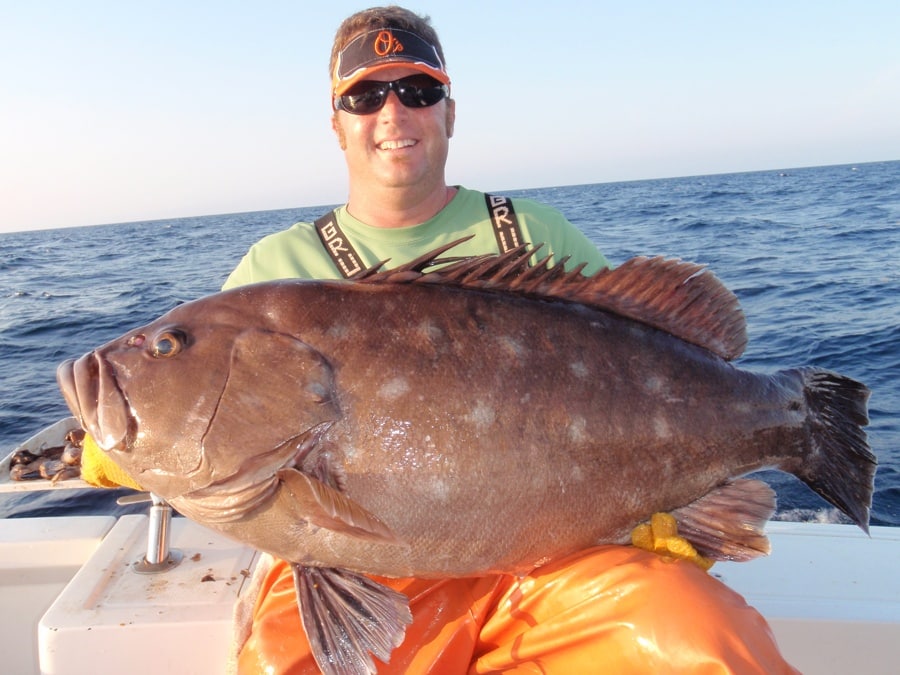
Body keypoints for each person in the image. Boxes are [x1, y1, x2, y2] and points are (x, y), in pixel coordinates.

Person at [83, 6, 799, 673]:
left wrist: (673, 501)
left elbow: (661, 352)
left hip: (564, 558)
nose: (393, 112)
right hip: (361, 572)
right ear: (336, 123)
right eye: (365, 97)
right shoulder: (275, 271)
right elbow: (200, 439)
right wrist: (103, 439)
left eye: (418, 91)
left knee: (700, 639)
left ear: (449, 112)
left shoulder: (534, 237)